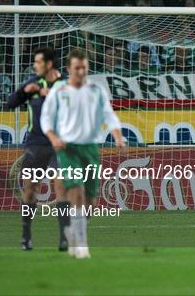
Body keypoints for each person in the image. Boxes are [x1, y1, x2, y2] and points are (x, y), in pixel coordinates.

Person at [41, 49, 125, 258]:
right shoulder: (59, 91)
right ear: (69, 69)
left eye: (84, 68)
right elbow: (46, 119)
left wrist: (117, 135)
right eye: (77, 68)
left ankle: (73, 231)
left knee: (91, 203)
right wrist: (53, 139)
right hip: (68, 148)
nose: (81, 71)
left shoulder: (96, 90)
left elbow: (109, 115)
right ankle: (81, 245)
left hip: (90, 148)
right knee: (75, 192)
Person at [6, 48, 68, 251]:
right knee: (30, 190)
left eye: (38, 62)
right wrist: (24, 92)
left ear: (49, 64)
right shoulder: (32, 83)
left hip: (59, 144)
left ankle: (64, 238)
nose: (35, 65)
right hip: (35, 145)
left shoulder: (65, 84)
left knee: (61, 188)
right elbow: (9, 104)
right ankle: (26, 236)